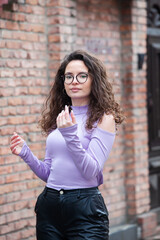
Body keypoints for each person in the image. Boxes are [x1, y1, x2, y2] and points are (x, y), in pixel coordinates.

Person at [10, 50, 124, 240]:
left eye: (82, 76)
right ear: (63, 83)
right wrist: (26, 154)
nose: (74, 81)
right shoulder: (60, 118)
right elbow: (49, 173)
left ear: (94, 80)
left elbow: (90, 171)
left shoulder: (104, 118)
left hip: (85, 210)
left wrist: (70, 135)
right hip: (50, 205)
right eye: (69, 76)